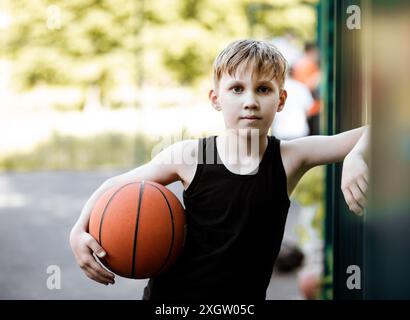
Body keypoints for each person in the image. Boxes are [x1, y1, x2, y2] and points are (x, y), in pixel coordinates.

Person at [69, 39, 369, 301]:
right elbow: (114, 184)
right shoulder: (191, 156)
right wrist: (77, 231)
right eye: (237, 89)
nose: (250, 101)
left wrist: (356, 155)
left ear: (280, 100)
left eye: (263, 89)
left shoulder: (289, 158)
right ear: (216, 99)